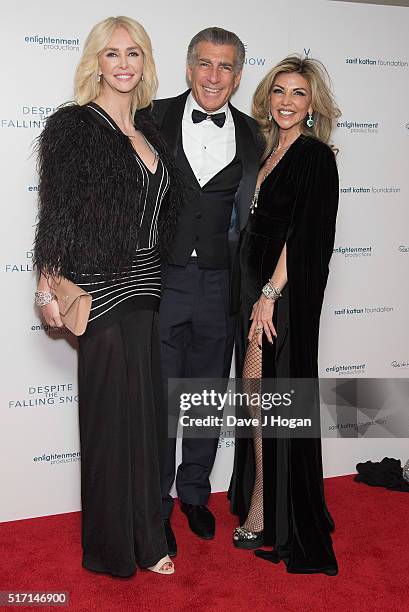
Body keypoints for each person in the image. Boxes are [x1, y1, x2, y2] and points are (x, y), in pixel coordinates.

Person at [33, 16, 183, 578]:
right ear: (96, 61)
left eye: (134, 54)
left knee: (146, 426)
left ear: (145, 63)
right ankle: (111, 548)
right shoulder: (74, 126)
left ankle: (149, 537)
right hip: (99, 290)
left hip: (147, 291)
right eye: (113, 53)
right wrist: (48, 284)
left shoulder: (150, 132)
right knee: (108, 427)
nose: (124, 64)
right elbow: (58, 210)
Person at [149, 27, 262, 556]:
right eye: (204, 64)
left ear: (238, 76)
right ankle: (156, 502)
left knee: (203, 398)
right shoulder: (152, 117)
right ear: (188, 67)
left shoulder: (255, 133)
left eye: (225, 67)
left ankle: (195, 492)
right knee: (160, 399)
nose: (213, 76)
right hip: (162, 281)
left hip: (222, 285)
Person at [229, 55, 341, 575]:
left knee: (266, 395)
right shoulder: (269, 148)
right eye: (279, 91)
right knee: (257, 397)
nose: (287, 102)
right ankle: (265, 494)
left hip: (282, 299)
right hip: (254, 289)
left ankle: (266, 507)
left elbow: (304, 236)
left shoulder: (315, 157)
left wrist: (270, 293)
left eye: (298, 93)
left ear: (312, 103)